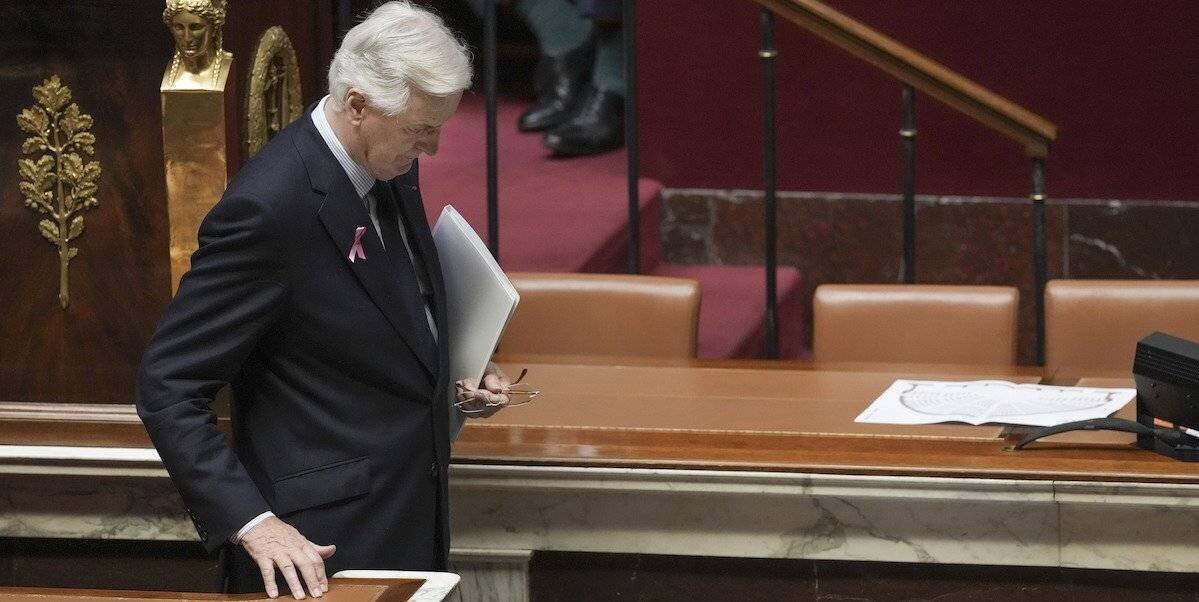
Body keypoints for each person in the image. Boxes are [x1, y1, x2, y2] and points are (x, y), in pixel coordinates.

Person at [136, 2, 511, 599]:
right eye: (420, 130)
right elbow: (168, 386)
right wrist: (252, 524)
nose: (433, 148)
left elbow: (384, 310)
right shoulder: (268, 209)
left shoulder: (387, 162)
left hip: (409, 512)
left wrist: (455, 364)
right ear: (358, 105)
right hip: (321, 549)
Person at [161, 0, 233, 91]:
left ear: (214, 28)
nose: (187, 38)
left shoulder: (225, 68)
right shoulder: (170, 74)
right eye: (179, 27)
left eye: (195, 27)